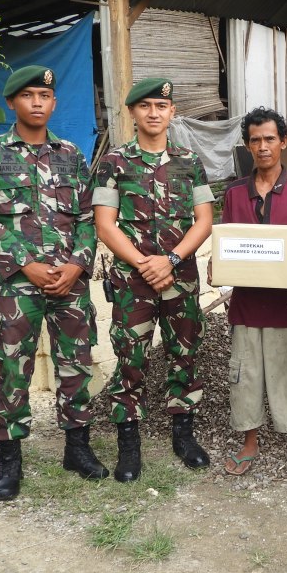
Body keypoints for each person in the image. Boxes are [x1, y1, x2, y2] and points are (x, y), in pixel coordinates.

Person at [0, 65, 106, 500]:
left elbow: (87, 217)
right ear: (12, 103)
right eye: (28, 96)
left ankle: (77, 448)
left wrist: (78, 265)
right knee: (14, 369)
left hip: (70, 282)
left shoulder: (71, 154)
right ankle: (9, 463)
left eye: (44, 97)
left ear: (53, 103)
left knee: (75, 365)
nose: (37, 103)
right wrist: (26, 264)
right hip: (18, 284)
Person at [93, 76, 214, 478]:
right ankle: (129, 443)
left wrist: (172, 259)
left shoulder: (189, 161)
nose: (153, 113)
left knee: (185, 353)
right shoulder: (113, 163)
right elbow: (105, 225)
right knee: (131, 356)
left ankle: (184, 434)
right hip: (133, 281)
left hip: (180, 277)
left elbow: (204, 221)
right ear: (132, 113)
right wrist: (146, 263)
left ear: (172, 112)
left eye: (161, 106)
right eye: (144, 106)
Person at [217, 107, 287, 478]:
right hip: (246, 304)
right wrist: (216, 264)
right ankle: (249, 441)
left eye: (269, 139)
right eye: (255, 140)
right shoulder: (234, 192)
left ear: (283, 142)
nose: (263, 146)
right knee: (246, 374)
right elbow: (227, 242)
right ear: (247, 145)